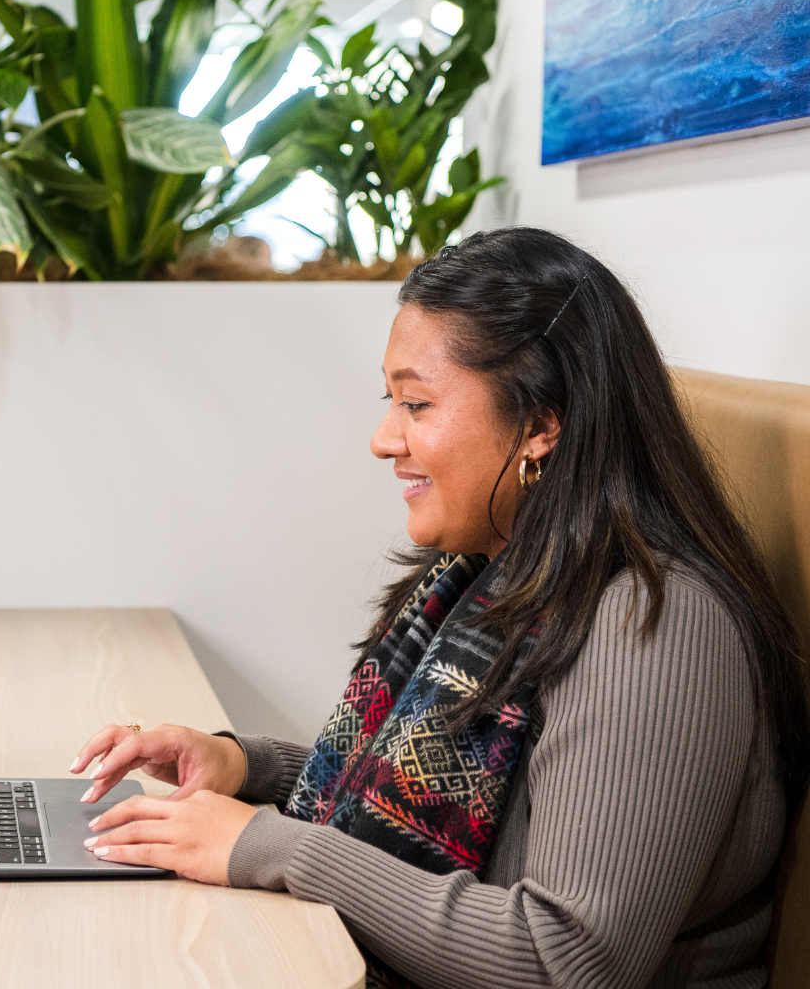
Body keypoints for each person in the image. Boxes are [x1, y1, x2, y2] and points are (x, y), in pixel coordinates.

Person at [69, 228, 810, 989]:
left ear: (542, 424)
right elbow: (425, 806)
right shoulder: (494, 574)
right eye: (391, 401)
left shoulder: (652, 626)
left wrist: (273, 845)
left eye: (416, 403)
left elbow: (564, 962)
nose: (384, 439)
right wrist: (246, 766)